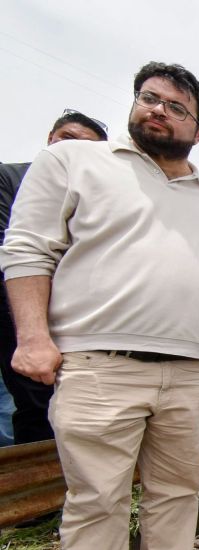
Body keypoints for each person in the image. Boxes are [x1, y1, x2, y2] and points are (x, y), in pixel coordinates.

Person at [0, 62, 199, 550]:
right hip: (101, 364)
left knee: (178, 489)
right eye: (148, 98)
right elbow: (28, 248)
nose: (157, 109)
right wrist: (33, 337)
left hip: (188, 373)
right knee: (97, 500)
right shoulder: (76, 162)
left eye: (176, 107)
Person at [0, 110, 108, 445]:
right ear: (51, 138)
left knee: (72, 405)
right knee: (31, 403)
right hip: (19, 315)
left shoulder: (95, 198)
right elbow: (13, 250)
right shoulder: (11, 178)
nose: (72, 150)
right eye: (67, 139)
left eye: (86, 147)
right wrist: (30, 331)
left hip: (75, 319)